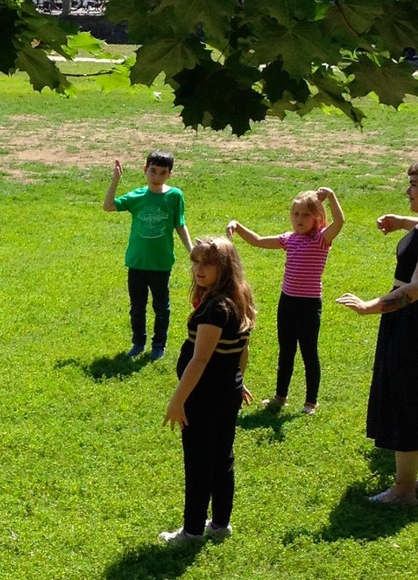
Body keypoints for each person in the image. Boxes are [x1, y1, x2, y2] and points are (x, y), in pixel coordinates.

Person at [161, 237, 255, 545]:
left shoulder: (216, 310)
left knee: (200, 462)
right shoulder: (238, 298)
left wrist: (178, 400)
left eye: (207, 263)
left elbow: (200, 359)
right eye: (195, 262)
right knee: (222, 457)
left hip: (203, 397)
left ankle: (192, 531)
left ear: (224, 268)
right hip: (226, 392)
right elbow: (242, 348)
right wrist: (237, 380)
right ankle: (220, 525)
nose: (198, 269)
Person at [336, 163, 418, 505]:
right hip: (405, 320)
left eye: (413, 185)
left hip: (411, 321)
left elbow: (413, 290)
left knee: (406, 398)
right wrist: (403, 222)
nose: (408, 191)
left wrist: (370, 306)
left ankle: (403, 490)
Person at [227, 188, 344, 415]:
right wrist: (237, 226)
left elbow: (339, 222)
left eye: (305, 215)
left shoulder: (321, 240)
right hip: (287, 302)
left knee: (309, 352)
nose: (299, 220)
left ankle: (311, 401)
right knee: (286, 351)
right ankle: (280, 397)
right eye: (296, 214)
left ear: (318, 218)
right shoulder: (289, 239)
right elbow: (258, 241)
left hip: (309, 305)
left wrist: (330, 197)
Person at [104, 150, 194, 360]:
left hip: (161, 264)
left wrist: (191, 250)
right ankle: (138, 343)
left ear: (169, 175)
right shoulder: (136, 196)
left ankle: (158, 345)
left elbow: (179, 224)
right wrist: (115, 181)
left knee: (161, 307)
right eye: (152, 171)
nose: (156, 177)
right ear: (145, 170)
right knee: (137, 307)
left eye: (163, 173)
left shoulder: (174, 196)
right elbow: (108, 206)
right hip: (137, 263)